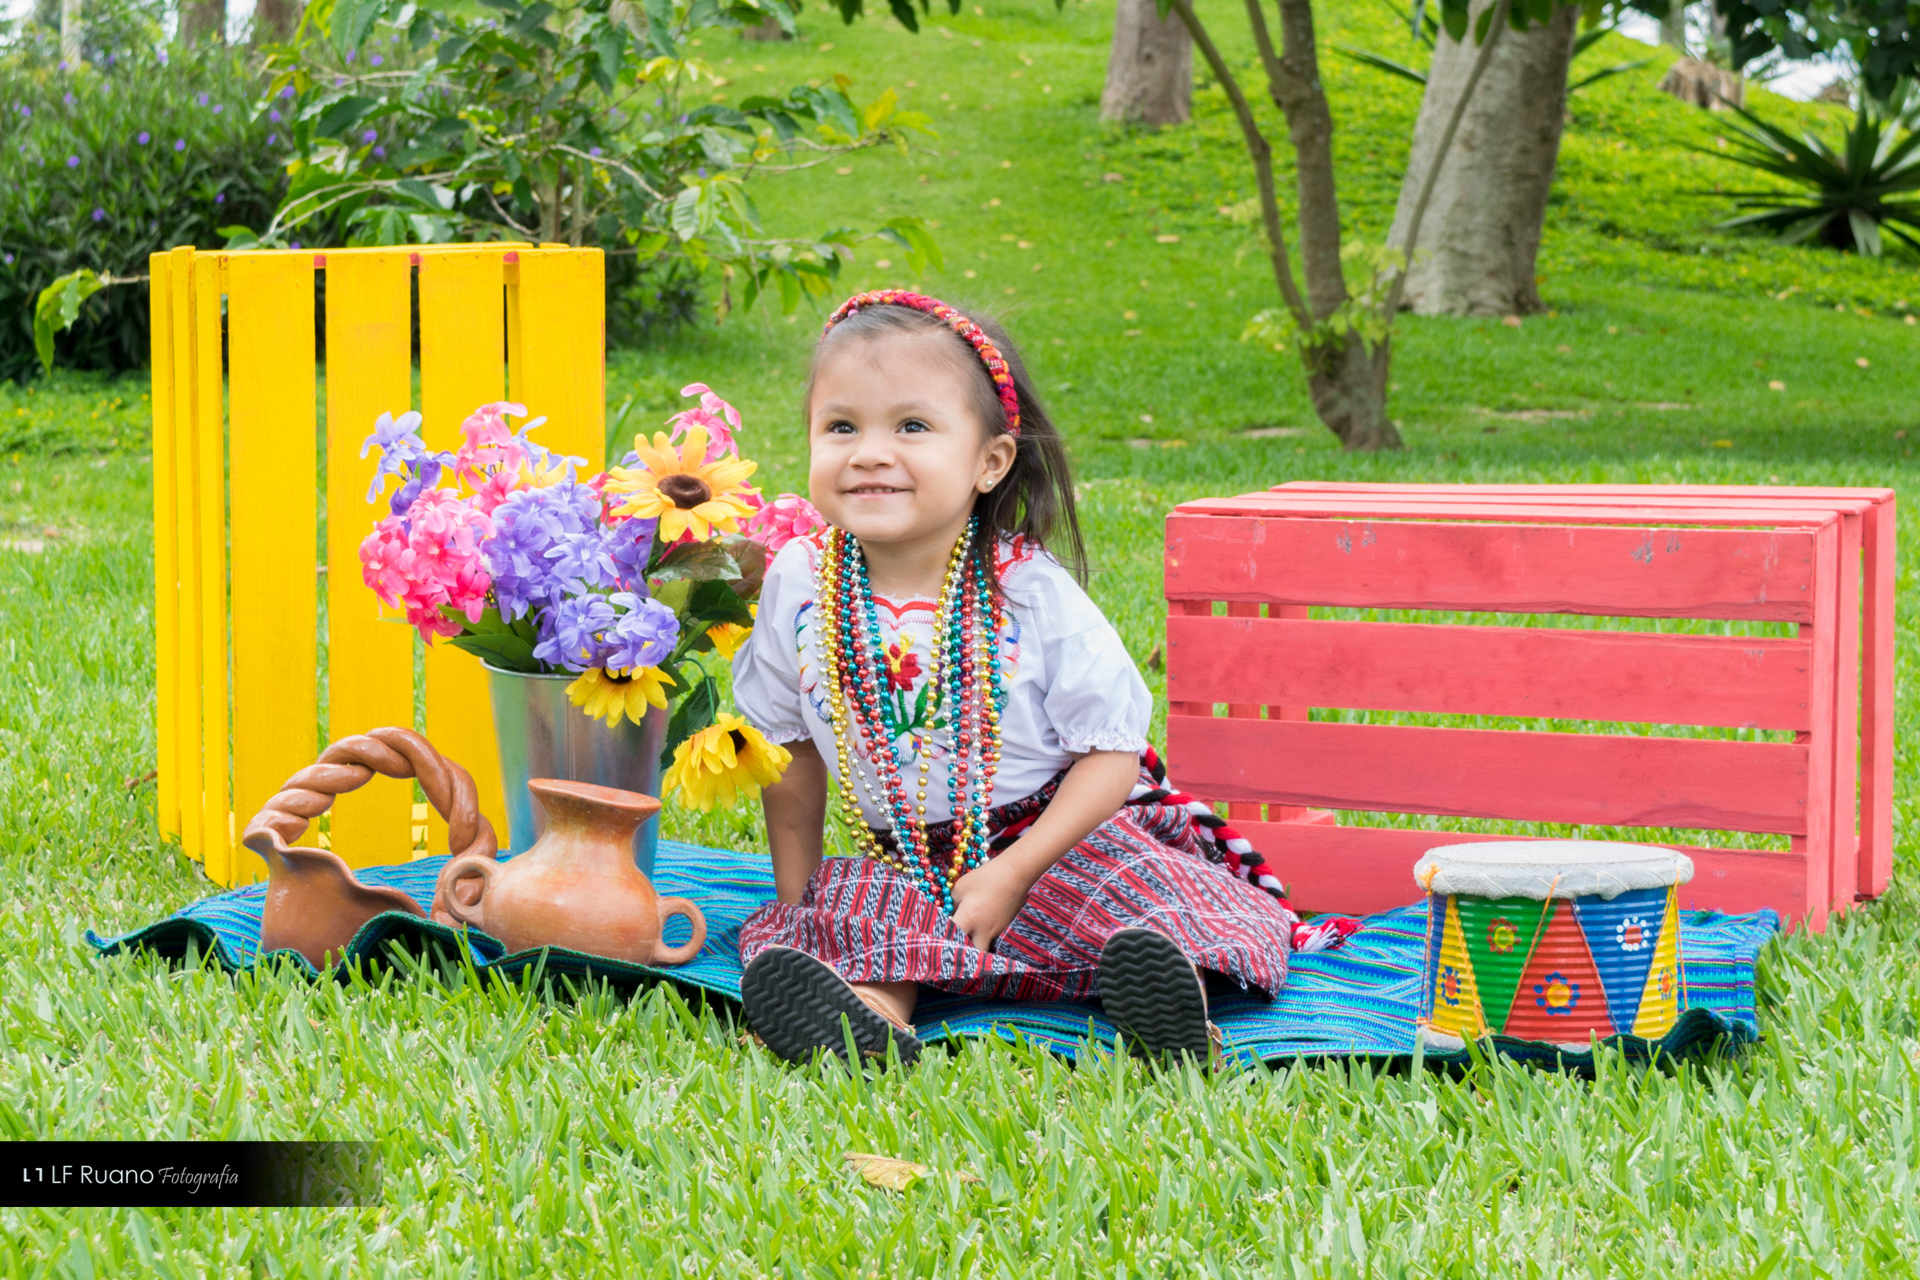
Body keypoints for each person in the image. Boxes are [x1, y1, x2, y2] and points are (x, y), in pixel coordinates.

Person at [730, 290, 1353, 1067]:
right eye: (841, 427)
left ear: (990, 462)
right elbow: (788, 752)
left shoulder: (1027, 588)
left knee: (1144, 891)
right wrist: (801, 903)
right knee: (856, 906)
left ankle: (1170, 1003)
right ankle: (867, 1015)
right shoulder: (800, 580)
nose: (869, 453)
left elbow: (1111, 757)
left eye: (912, 426)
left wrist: (1014, 872)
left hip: (1059, 838)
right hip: (906, 857)